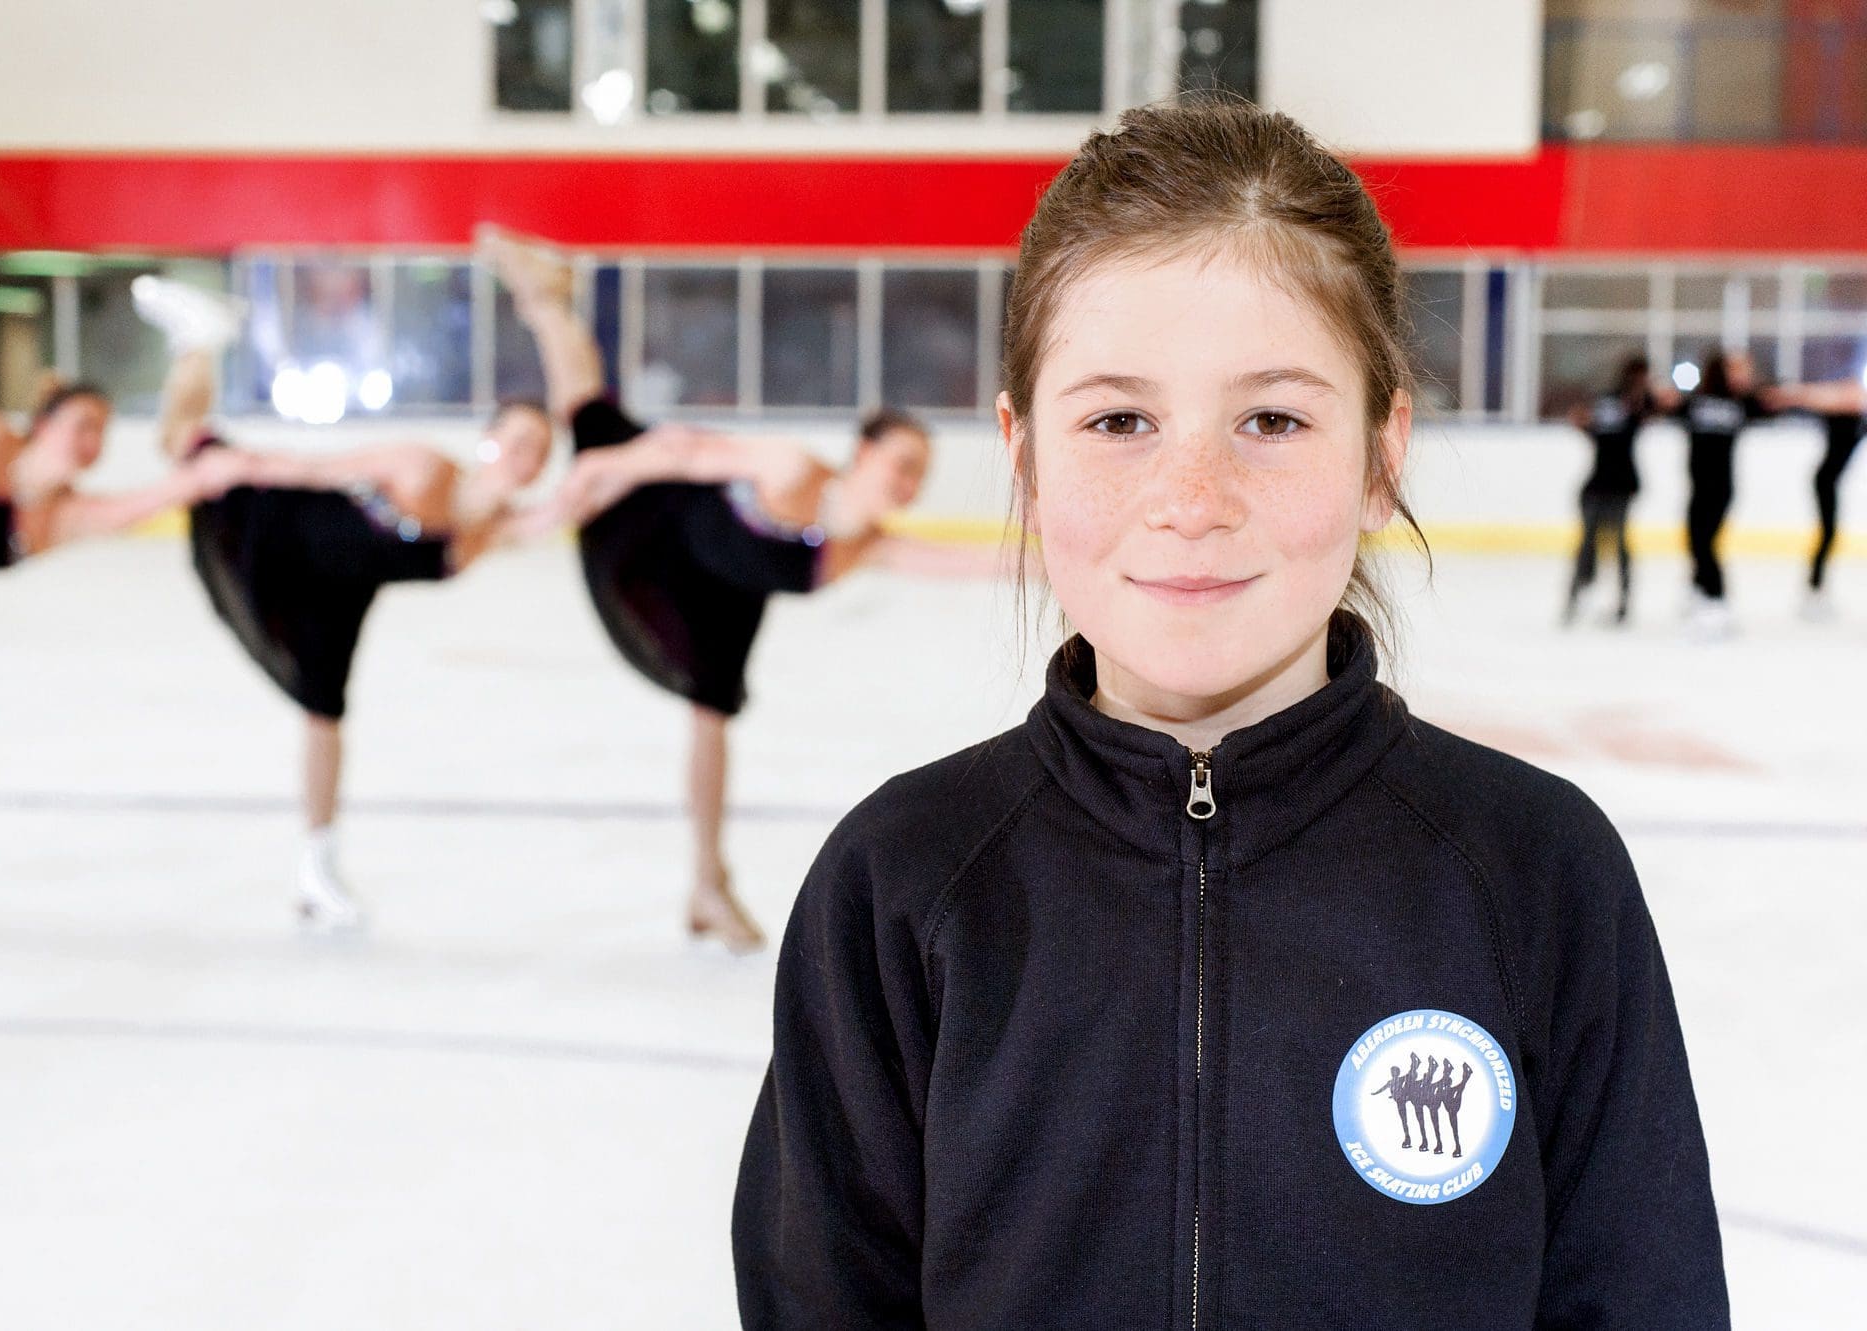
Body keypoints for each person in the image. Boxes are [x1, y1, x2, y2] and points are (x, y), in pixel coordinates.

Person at [732, 99, 1725, 1328]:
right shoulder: (903, 882)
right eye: (1117, 421)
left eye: (1270, 419)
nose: (1190, 498)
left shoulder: (1533, 869)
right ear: (1023, 456)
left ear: (1380, 455)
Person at [480, 226, 945, 953]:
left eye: (920, 472)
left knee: (710, 713)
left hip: (723, 603)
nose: (910, 482)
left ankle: (707, 882)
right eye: (902, 462)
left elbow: (970, 562)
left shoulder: (864, 547)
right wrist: (599, 476)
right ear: (863, 452)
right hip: (662, 528)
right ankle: (546, 302)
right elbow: (684, 448)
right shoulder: (794, 471)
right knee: (589, 416)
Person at [133, 278, 555, 933]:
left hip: (336, 602)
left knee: (324, 715)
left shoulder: (489, 533)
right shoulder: (422, 466)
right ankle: (200, 343)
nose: (527, 456)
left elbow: (575, 504)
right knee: (182, 440)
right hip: (279, 531)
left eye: (541, 450)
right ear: (488, 438)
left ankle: (317, 869)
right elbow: (319, 469)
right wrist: (241, 466)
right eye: (519, 439)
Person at [0, 385, 237, 914]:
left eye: (102, 431)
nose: (93, 440)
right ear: (43, 424)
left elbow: (143, 503)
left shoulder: (59, 516)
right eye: (82, 423)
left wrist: (210, 468)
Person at [1674, 350, 1770, 640]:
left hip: (1721, 488)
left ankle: (1716, 603)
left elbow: (1768, 406)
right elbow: (1667, 409)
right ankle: (1701, 593)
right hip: (1697, 486)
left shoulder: (1741, 402)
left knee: (1705, 544)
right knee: (1695, 542)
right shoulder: (1696, 401)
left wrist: (1748, 384)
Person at [1563, 353, 1662, 626]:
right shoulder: (1609, 401)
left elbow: (1653, 411)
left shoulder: (1637, 404)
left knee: (1617, 546)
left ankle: (1621, 602)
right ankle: (1578, 597)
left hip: (1621, 484)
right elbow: (1592, 429)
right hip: (1599, 483)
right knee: (1588, 545)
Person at [1760, 377, 1864, 619]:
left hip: (1832, 482)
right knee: (1828, 534)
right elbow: (1814, 397)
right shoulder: (1837, 412)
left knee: (1829, 535)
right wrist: (1784, 397)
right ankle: (1814, 590)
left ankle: (1816, 588)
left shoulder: (1858, 416)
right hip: (1824, 481)